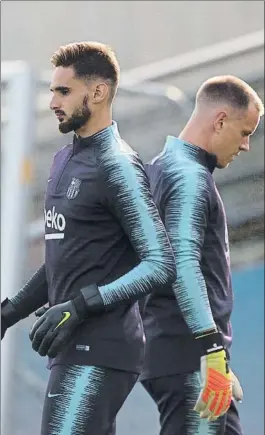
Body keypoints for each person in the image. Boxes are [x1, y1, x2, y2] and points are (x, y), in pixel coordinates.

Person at [1, 41, 176, 435]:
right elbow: (65, 257)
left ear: (97, 92)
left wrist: (81, 305)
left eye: (63, 91)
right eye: (52, 90)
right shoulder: (65, 160)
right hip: (72, 349)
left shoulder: (118, 165)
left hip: (102, 348)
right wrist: (8, 313)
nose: (52, 102)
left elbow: (161, 263)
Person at [140, 75, 264, 434]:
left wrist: (216, 357)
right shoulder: (188, 176)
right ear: (220, 120)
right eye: (245, 132)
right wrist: (210, 349)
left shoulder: (161, 167)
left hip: (184, 351)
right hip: (189, 353)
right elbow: (182, 263)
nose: (246, 146)